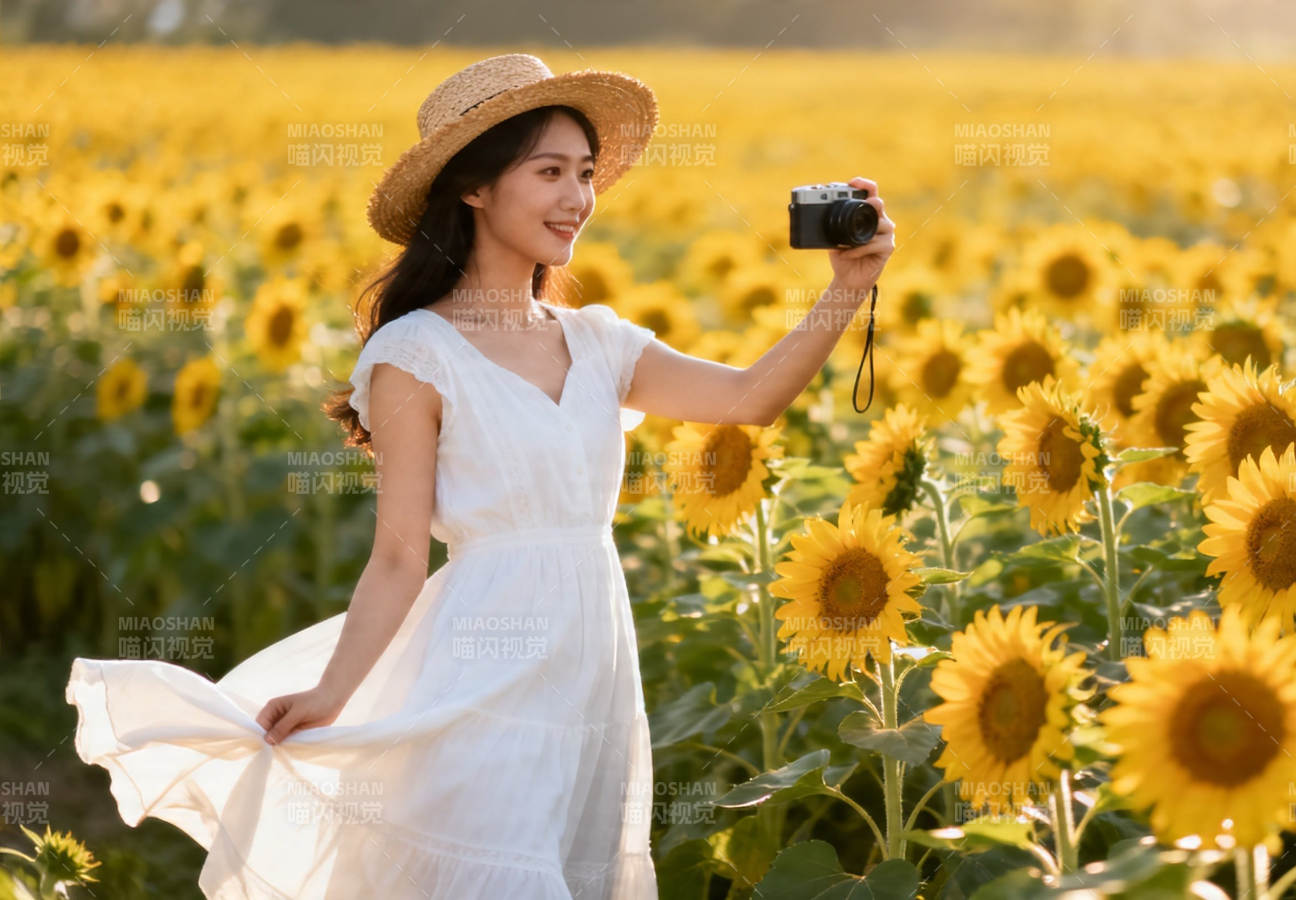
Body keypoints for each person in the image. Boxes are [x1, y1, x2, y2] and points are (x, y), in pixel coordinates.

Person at [64, 52, 894, 899]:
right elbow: (398, 557)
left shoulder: (599, 342)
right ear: (473, 188)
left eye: (584, 173)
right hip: (482, 667)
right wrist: (332, 693)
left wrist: (846, 288)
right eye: (548, 172)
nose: (577, 198)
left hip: (593, 674)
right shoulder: (416, 354)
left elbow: (751, 398)